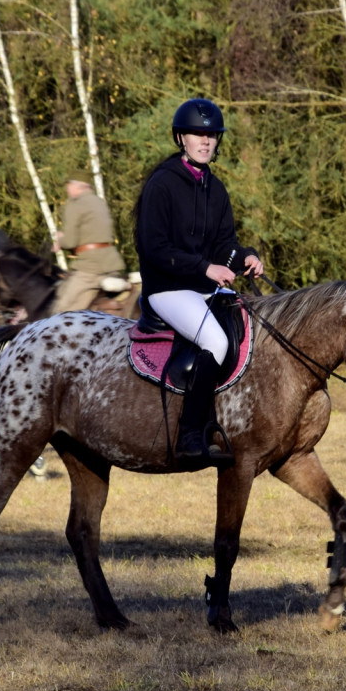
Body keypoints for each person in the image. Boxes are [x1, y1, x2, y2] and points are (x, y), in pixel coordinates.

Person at [133, 98, 265, 464]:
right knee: (216, 341)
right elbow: (154, 249)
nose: (205, 141)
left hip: (203, 290)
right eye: (197, 134)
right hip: (168, 290)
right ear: (181, 138)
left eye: (211, 135)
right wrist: (205, 269)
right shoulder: (162, 185)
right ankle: (190, 438)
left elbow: (224, 247)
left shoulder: (216, 189)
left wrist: (245, 257)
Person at [51, 170, 126, 314]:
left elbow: (70, 241)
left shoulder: (75, 204)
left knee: (61, 312)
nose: (67, 189)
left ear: (76, 186)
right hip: (112, 263)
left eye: (68, 185)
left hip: (91, 267)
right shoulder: (98, 202)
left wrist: (60, 239)